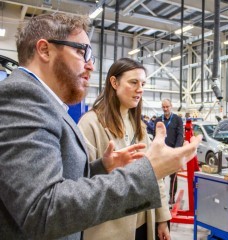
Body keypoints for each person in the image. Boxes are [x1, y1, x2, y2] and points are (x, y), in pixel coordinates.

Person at [0, 13, 201, 240]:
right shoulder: (22, 98)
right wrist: (148, 173)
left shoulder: (48, 105)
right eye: (80, 51)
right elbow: (43, 209)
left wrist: (102, 167)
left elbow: (61, 181)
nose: (90, 66)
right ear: (45, 50)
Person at [78, 58, 171, 240]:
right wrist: (104, 166)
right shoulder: (90, 124)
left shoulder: (140, 127)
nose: (140, 89)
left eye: (142, 83)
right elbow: (77, 182)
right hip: (109, 228)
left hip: (143, 222)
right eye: (133, 82)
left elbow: (154, 175)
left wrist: (162, 218)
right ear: (114, 82)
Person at [154, 99, 184, 204]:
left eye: (167, 106)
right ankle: (161, 198)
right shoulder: (158, 120)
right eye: (163, 107)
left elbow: (180, 135)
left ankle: (172, 199)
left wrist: (176, 151)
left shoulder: (177, 119)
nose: (165, 109)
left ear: (171, 106)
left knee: (173, 177)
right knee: (160, 177)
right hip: (161, 153)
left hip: (172, 153)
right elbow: (156, 137)